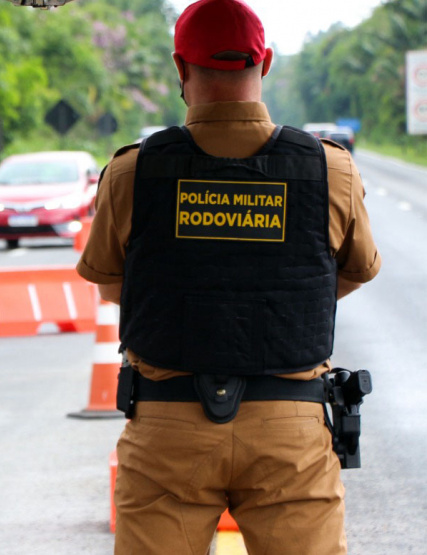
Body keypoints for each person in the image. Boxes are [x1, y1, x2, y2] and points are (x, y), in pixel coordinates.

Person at [76, 1, 381, 553]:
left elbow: (115, 285)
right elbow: (352, 273)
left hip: (168, 427)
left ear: (180, 66)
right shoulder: (329, 168)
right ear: (265, 62)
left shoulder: (132, 172)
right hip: (290, 426)